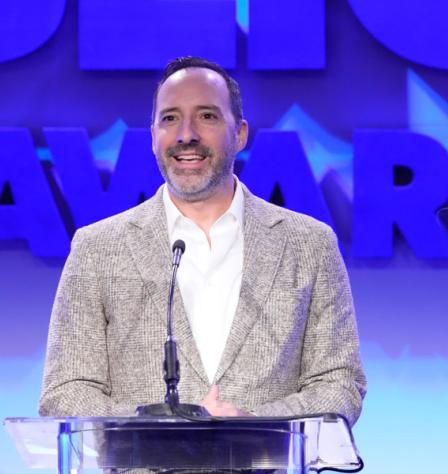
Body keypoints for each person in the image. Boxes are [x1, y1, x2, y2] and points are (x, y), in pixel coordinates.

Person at [39, 56, 366, 425]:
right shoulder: (97, 249)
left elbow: (339, 384)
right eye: (170, 118)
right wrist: (160, 429)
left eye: (207, 116)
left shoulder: (310, 245)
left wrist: (253, 424)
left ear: (240, 133)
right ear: (153, 137)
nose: (186, 135)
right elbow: (65, 391)